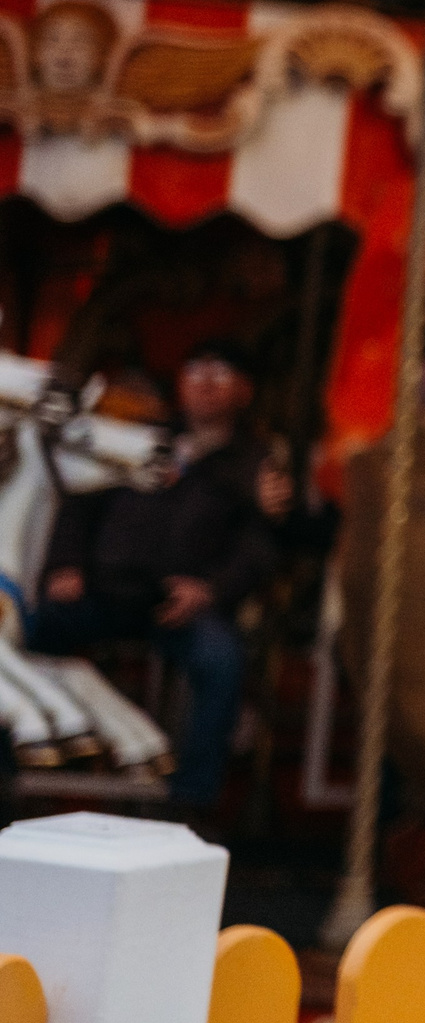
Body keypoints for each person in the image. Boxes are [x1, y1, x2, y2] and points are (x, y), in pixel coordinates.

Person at [31, 342, 277, 809]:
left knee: (223, 660)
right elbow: (82, 498)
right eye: (195, 370)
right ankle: (23, 769)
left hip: (178, 603)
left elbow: (258, 546)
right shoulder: (140, 436)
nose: (205, 384)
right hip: (102, 586)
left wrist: (211, 590)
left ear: (244, 390)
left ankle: (191, 798)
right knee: (29, 632)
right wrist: (64, 564)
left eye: (220, 373)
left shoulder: (255, 464)